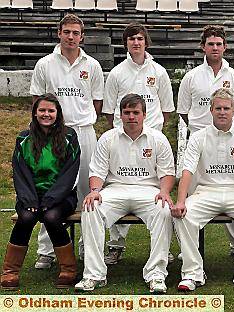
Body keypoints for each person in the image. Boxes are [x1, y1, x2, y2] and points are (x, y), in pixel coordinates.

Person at [171, 88, 234, 292]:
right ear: (211, 110)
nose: (222, 112)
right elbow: (187, 171)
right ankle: (192, 272)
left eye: (226, 108)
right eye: (218, 108)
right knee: (182, 215)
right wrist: (181, 201)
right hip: (206, 191)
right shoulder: (198, 137)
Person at [74, 94, 175, 293]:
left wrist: (164, 191)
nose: (131, 117)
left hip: (148, 191)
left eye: (135, 112)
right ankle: (94, 275)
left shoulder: (157, 139)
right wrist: (95, 191)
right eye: (127, 113)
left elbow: (168, 172)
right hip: (115, 190)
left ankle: (156, 274)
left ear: (144, 115)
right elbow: (97, 171)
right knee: (91, 207)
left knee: (164, 209)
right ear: (120, 115)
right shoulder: (108, 138)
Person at [29, 13, 104, 268]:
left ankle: (88, 246)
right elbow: (37, 102)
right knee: (50, 189)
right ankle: (46, 251)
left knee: (88, 190)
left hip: (83, 132)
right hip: (54, 134)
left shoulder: (92, 65)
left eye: (75, 33)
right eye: (67, 32)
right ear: (59, 33)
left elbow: (96, 101)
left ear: (82, 37)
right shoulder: (45, 64)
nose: (71, 37)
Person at [101, 22, 175, 266]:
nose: (136, 42)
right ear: (126, 43)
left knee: (158, 197)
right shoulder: (117, 73)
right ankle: (115, 245)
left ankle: (162, 249)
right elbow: (110, 110)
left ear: (146, 42)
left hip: (151, 141)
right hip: (122, 138)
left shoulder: (159, 72)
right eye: (131, 39)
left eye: (140, 39)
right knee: (119, 187)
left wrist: (153, 134)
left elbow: (166, 108)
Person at [176, 25, 234, 259]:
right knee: (193, 197)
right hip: (200, 140)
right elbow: (184, 112)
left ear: (225, 47)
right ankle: (191, 249)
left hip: (230, 142)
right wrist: (202, 130)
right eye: (210, 44)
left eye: (219, 44)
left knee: (232, 190)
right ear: (203, 47)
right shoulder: (191, 77)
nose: (215, 48)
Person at [1, 94, 80, 290]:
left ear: (57, 114)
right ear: (35, 113)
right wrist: (30, 200)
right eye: (42, 110)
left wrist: (50, 200)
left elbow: (69, 173)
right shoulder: (23, 138)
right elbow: (20, 172)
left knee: (52, 217)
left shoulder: (69, 136)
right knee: (26, 218)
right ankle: (10, 272)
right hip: (30, 197)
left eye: (51, 111)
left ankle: (68, 270)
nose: (46, 114)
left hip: (62, 197)